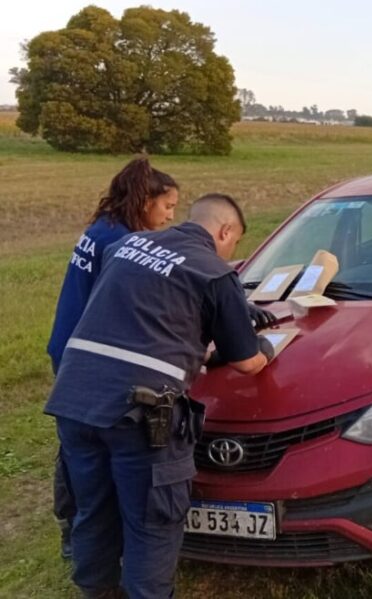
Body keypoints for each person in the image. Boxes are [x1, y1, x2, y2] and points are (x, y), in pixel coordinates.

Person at [45, 194, 275, 599]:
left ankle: (97, 591)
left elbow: (141, 318)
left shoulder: (124, 247)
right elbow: (248, 362)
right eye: (233, 243)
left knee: (93, 511)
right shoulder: (213, 271)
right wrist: (267, 345)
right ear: (225, 232)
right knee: (151, 522)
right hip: (140, 414)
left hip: (75, 398)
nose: (230, 252)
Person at [47, 157, 179, 560]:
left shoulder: (101, 228)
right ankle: (79, 533)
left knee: (74, 443)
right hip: (87, 357)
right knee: (84, 451)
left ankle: (76, 528)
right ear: (145, 202)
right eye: (168, 206)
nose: (172, 215)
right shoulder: (119, 244)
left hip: (66, 346)